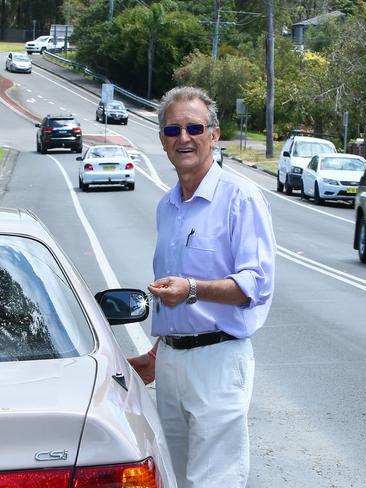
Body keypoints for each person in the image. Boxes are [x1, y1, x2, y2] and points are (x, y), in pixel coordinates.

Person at [128, 86, 276, 488]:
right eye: (173, 130)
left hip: (219, 359)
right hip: (171, 364)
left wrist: (193, 288)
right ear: (162, 140)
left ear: (214, 134)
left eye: (194, 127)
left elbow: (255, 284)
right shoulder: (167, 205)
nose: (184, 138)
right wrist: (156, 354)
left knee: (213, 480)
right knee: (173, 477)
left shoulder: (240, 197)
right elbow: (171, 292)